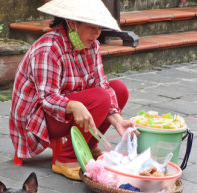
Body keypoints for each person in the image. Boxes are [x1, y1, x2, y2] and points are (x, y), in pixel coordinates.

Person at [9, 0, 136, 180]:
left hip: (63, 109)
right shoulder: (48, 48)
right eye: (92, 27)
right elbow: (47, 98)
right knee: (100, 97)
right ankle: (66, 159)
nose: (97, 33)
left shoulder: (92, 46)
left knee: (118, 90)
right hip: (37, 120)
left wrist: (117, 120)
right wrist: (73, 105)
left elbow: (102, 84)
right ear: (73, 23)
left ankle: (88, 145)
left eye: (99, 28)